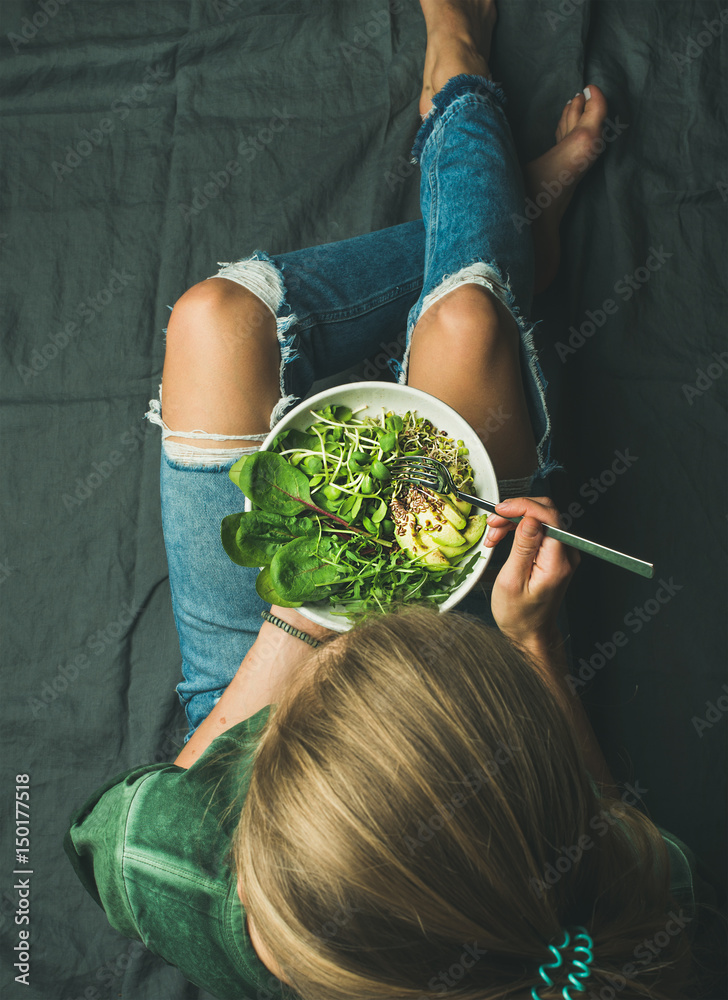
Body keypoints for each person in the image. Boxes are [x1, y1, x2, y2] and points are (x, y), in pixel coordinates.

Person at [65, 2, 702, 998]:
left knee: (213, 321)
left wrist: (301, 615)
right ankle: (471, 123)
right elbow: (631, 850)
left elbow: (155, 796)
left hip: (255, 683)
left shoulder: (168, 870)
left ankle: (496, 198)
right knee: (466, 326)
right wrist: (530, 646)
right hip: (460, 663)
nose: (370, 626)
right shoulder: (613, 912)